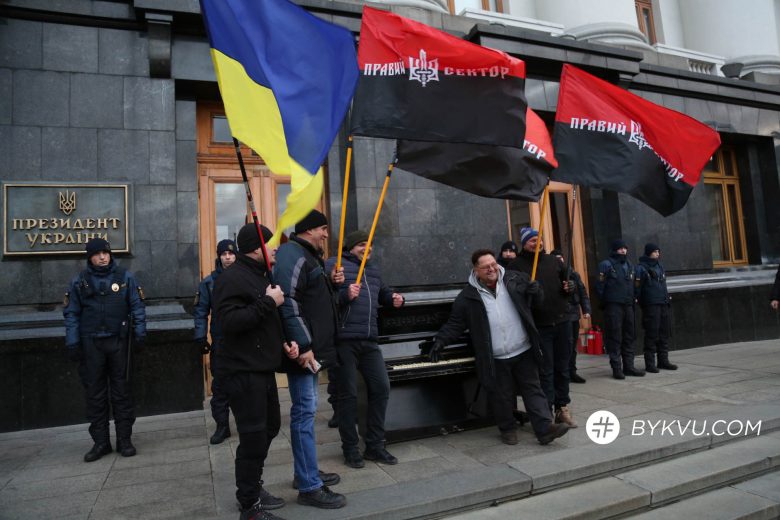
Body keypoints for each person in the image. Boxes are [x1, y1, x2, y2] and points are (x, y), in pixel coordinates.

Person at [427, 249, 570, 446]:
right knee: (501, 396)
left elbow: (537, 302)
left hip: (523, 349)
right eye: (486, 267)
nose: (491, 269)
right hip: (494, 356)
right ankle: (507, 429)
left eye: (493, 264)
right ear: (476, 270)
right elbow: (455, 324)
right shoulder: (467, 297)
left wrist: (536, 292)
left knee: (533, 390)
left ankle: (545, 429)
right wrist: (440, 341)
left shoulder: (516, 280)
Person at [213, 223, 295, 520]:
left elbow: (265, 323)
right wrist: (268, 302)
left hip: (262, 368)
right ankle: (249, 506)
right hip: (242, 371)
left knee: (270, 427)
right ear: (255, 248)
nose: (275, 248)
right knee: (253, 436)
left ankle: (253, 485)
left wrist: (284, 343)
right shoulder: (232, 278)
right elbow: (230, 322)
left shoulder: (260, 275)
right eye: (270, 244)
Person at [274, 210, 346, 509]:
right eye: (323, 229)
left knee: (307, 413)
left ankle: (306, 471)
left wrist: (333, 283)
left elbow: (311, 298)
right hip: (305, 353)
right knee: (304, 414)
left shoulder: (306, 255)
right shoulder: (292, 254)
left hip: (312, 351)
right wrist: (304, 345)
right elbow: (288, 301)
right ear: (308, 230)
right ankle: (308, 486)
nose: (327, 235)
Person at [324, 230, 404, 469]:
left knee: (381, 388)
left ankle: (375, 446)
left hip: (369, 340)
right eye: (361, 244)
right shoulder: (334, 265)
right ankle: (350, 449)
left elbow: (383, 292)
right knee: (348, 396)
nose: (367, 249)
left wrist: (394, 298)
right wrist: (344, 294)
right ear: (350, 247)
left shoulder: (373, 270)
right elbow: (326, 298)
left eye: (369, 245)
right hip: (344, 340)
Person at [63, 238, 146, 462]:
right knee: (95, 395)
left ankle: (124, 440)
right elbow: (71, 314)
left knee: (122, 392)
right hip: (91, 345)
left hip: (119, 343)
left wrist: (140, 334)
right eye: (97, 253)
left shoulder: (125, 278)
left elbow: (137, 307)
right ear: (89, 257)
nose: (102, 257)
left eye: (106, 253)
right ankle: (101, 443)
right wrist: (72, 342)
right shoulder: (79, 281)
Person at [508, 228, 577, 428]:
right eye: (532, 240)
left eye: (539, 239)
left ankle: (562, 407)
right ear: (524, 243)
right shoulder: (516, 265)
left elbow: (568, 284)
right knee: (546, 371)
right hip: (540, 326)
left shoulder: (554, 261)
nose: (537, 243)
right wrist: (526, 291)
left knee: (563, 367)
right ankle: (546, 411)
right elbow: (513, 293)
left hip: (562, 321)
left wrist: (570, 287)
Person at [194, 239, 237, 445]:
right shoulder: (209, 282)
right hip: (221, 341)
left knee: (244, 385)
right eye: (224, 254)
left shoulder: (244, 276)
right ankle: (222, 426)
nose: (227, 257)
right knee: (220, 386)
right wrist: (200, 337)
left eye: (231, 254)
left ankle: (248, 422)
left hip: (243, 340)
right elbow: (201, 311)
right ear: (219, 257)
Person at [595, 239, 645, 379]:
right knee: (615, 337)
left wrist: (635, 296)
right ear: (614, 249)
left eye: (625, 248)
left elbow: (635, 283)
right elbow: (599, 286)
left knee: (629, 336)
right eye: (620, 248)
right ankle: (617, 368)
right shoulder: (606, 265)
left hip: (628, 305)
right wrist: (608, 300)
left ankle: (629, 367)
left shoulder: (629, 265)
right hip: (614, 306)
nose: (623, 250)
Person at [551, 250, 592, 384]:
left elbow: (582, 292)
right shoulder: (551, 275)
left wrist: (586, 309)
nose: (560, 261)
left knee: (573, 345)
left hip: (573, 314)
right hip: (561, 315)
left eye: (561, 258)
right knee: (563, 346)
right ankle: (561, 373)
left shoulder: (573, 273)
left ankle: (572, 371)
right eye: (556, 258)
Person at [635, 243, 678, 372]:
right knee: (651, 334)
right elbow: (637, 289)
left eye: (658, 251)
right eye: (655, 251)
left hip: (663, 303)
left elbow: (663, 284)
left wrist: (666, 298)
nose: (657, 254)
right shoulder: (641, 268)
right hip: (651, 305)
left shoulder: (660, 266)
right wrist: (643, 303)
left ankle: (663, 361)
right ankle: (650, 364)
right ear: (649, 252)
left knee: (664, 333)